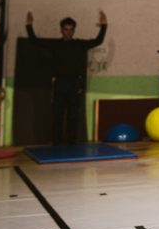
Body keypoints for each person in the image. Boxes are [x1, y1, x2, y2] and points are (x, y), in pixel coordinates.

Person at [25, 11, 107, 145]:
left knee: (73, 115)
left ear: (74, 31)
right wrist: (29, 25)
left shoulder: (80, 44)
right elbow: (34, 41)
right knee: (57, 114)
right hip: (60, 83)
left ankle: (71, 143)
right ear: (61, 30)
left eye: (71, 29)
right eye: (65, 29)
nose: (68, 32)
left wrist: (104, 25)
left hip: (75, 84)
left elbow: (98, 41)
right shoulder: (55, 44)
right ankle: (57, 143)